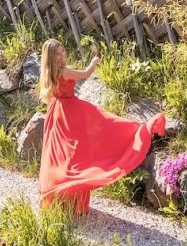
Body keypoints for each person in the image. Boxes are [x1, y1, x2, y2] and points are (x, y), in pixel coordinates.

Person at [37, 38, 165, 214]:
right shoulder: (64, 71)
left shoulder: (49, 73)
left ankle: (62, 200)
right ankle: (139, 131)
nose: (62, 56)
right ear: (51, 56)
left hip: (58, 113)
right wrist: (94, 61)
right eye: (58, 54)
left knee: (63, 156)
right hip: (70, 112)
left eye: (63, 51)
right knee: (104, 128)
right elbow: (85, 74)